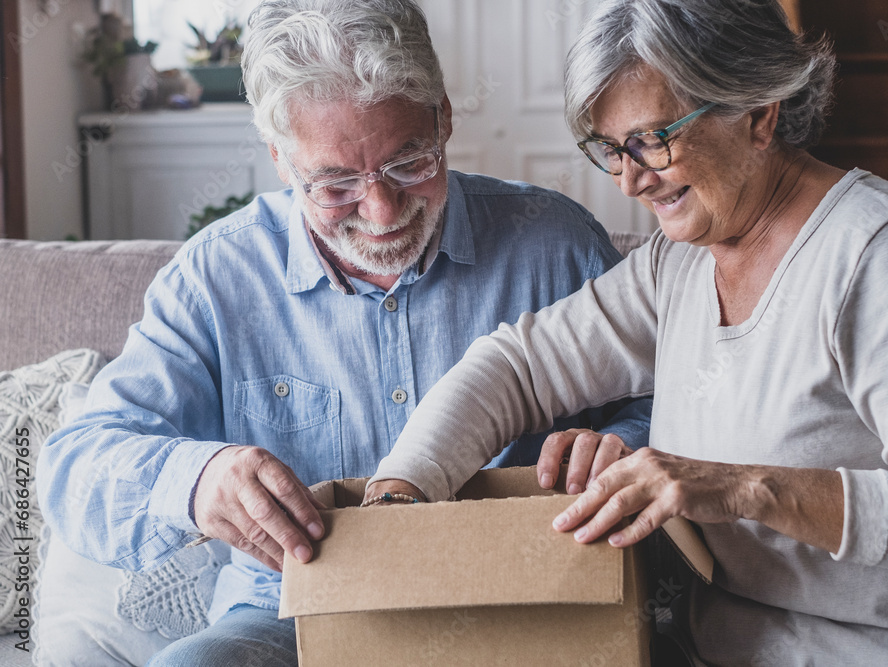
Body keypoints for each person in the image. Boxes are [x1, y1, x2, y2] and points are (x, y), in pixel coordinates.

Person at [366, 0, 888, 664]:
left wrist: (747, 486)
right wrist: (402, 490)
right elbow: (519, 367)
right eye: (611, 149)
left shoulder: (883, 256)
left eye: (652, 139)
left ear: (759, 113)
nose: (632, 179)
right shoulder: (681, 261)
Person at [36, 1, 650, 664]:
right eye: (334, 183)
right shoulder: (218, 277)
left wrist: (622, 443)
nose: (382, 211)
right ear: (280, 158)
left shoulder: (555, 245)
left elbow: (679, 402)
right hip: (285, 618)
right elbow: (77, 466)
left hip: (521, 606)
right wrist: (197, 476)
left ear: (443, 116)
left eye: (410, 160)